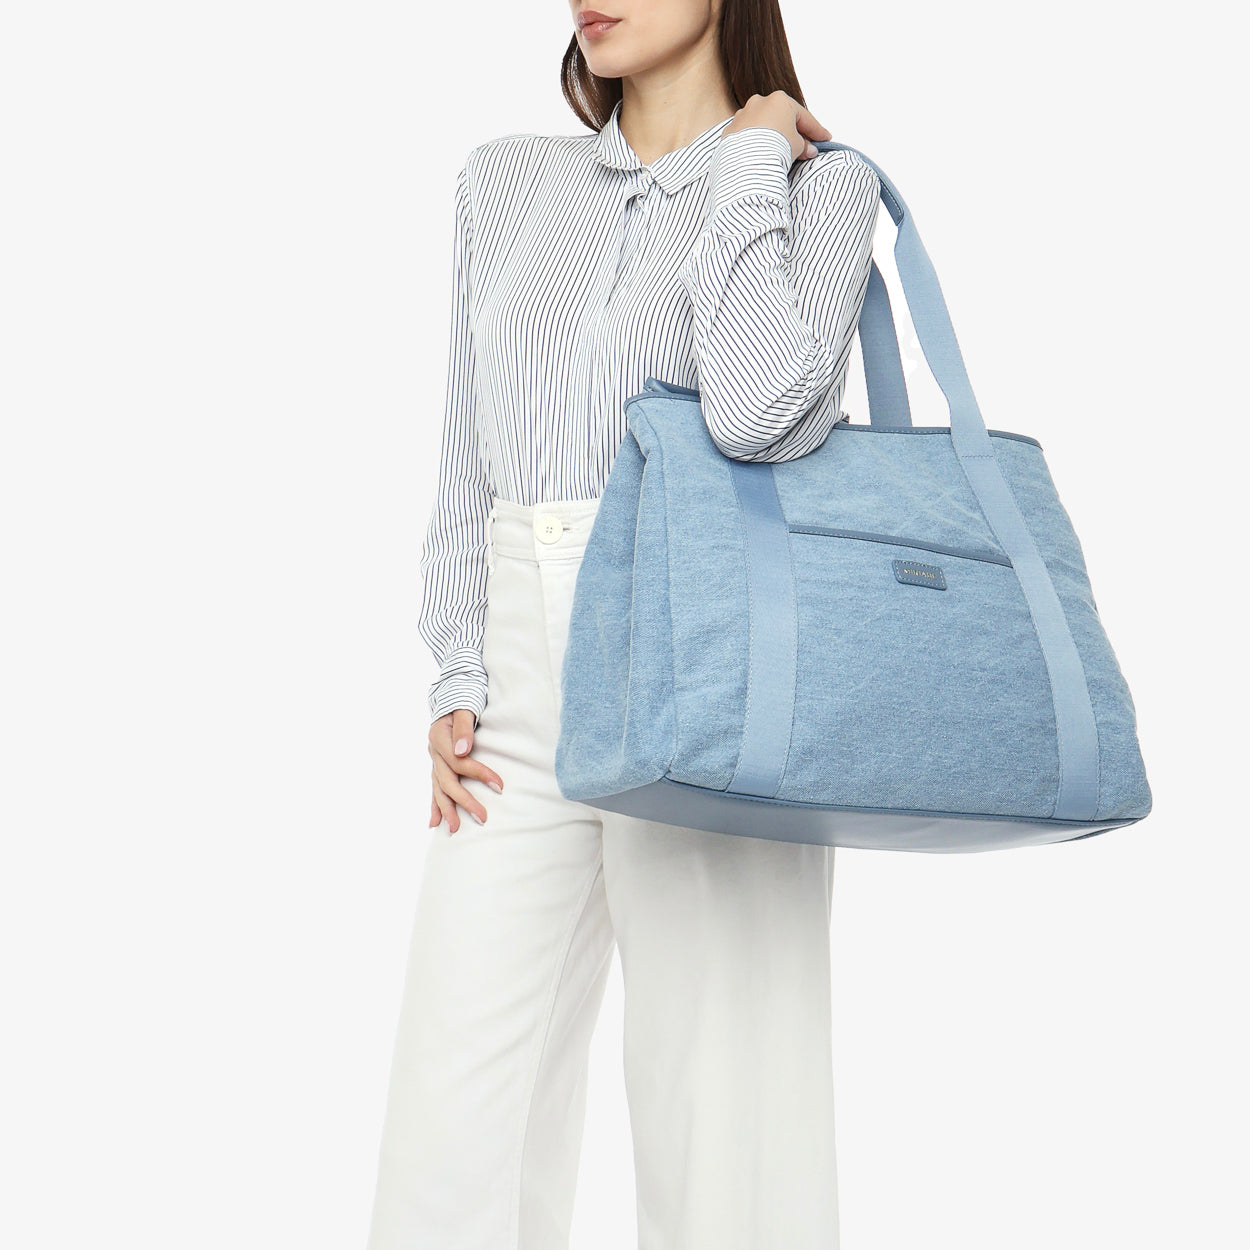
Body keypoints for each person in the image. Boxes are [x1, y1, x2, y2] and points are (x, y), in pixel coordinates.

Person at [365, 2, 882, 1246]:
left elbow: (755, 412)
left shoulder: (820, 186)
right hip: (518, 698)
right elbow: (466, 454)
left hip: (709, 671)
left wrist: (748, 166)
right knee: (451, 1129)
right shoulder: (501, 183)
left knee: (725, 1136)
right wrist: (458, 666)